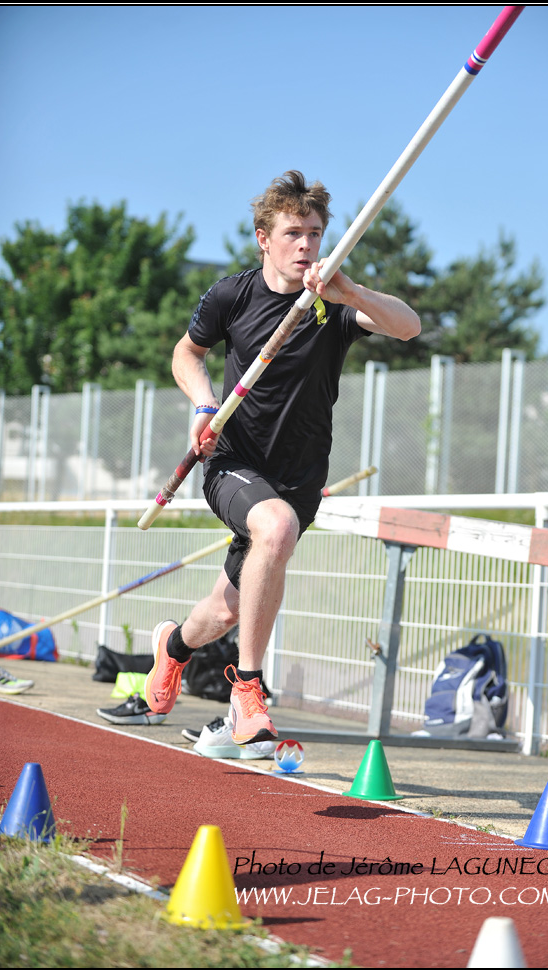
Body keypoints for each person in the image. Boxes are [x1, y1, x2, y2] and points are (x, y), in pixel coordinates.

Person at [144, 170, 421, 745]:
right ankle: (247, 691)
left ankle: (172, 648)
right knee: (274, 527)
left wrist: (352, 293)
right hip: (234, 463)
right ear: (264, 239)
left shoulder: (333, 303)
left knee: (227, 610)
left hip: (299, 479)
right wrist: (204, 406)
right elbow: (186, 353)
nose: (307, 245)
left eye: (315, 233)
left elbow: (408, 327)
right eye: (294, 233)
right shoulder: (232, 296)